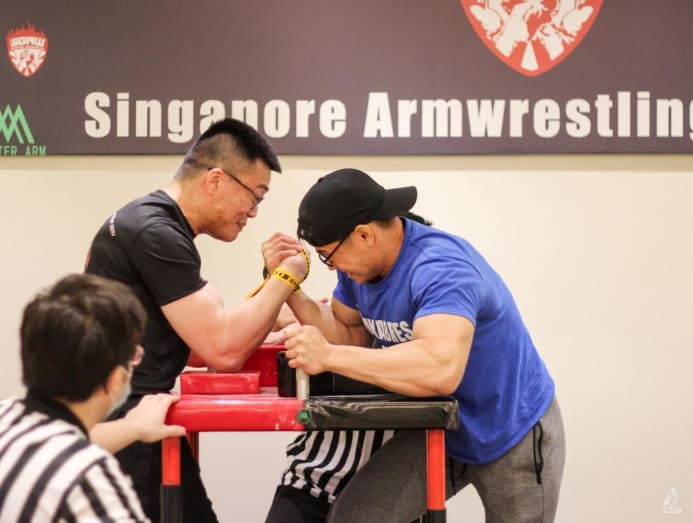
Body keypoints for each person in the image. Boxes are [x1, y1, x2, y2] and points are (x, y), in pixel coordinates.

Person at [263, 168, 565, 523]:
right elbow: (348, 332)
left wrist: (328, 356)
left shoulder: (441, 268)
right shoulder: (358, 269)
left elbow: (440, 368)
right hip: (442, 425)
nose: (331, 268)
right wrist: (289, 287)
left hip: (511, 427)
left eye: (328, 256)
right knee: (354, 517)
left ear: (364, 234)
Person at [85, 118, 309, 522]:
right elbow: (222, 351)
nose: (253, 212)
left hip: (126, 412)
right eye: (255, 196)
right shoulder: (156, 234)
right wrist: (286, 277)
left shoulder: (144, 221)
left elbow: (189, 346)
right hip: (129, 421)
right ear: (216, 180)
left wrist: (270, 317)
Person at [0, 273, 185, 522]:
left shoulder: (6, 415)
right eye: (133, 356)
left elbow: (53, 445)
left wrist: (132, 427)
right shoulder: (88, 477)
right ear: (116, 378)